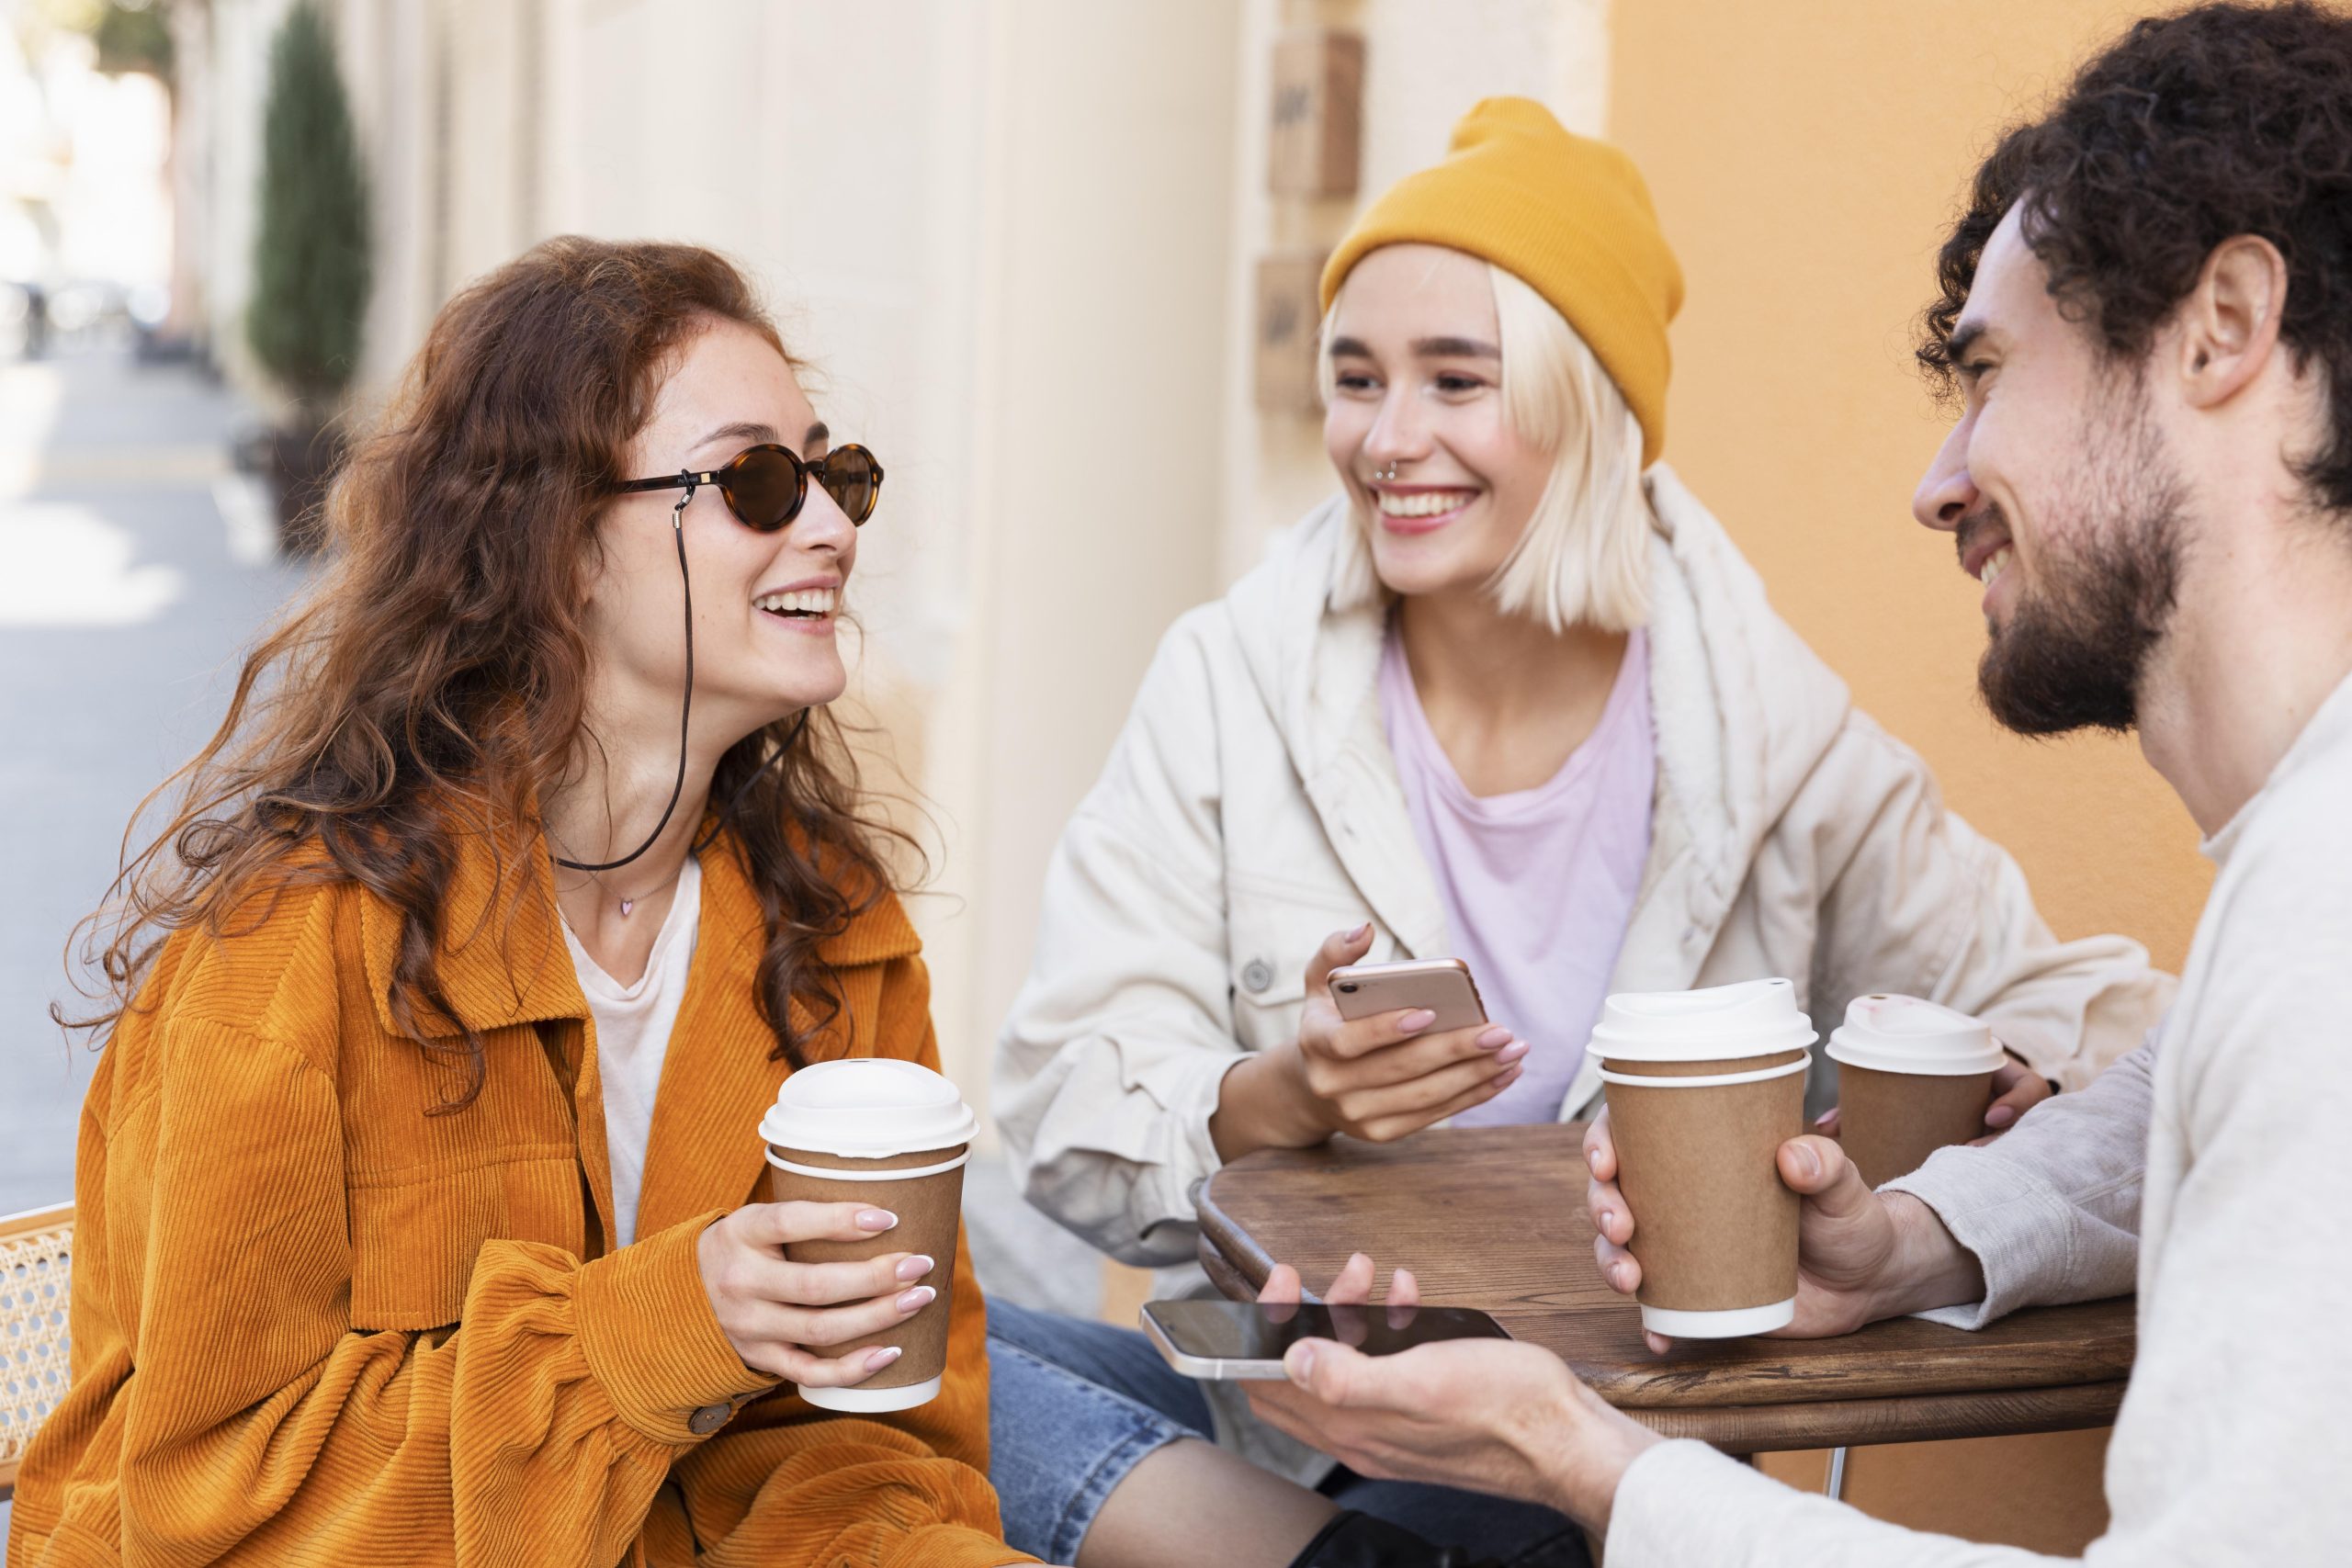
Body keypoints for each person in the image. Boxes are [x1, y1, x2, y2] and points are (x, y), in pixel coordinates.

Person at [986, 98, 2172, 1568]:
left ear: (1584, 401)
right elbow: (1054, 1107)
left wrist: (2011, 1083)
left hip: (1575, 1444)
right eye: (1356, 380)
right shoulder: (1230, 681)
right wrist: (1280, 1093)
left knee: (1512, 1509)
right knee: (898, 1373)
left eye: (1455, 380)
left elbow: (2104, 1022)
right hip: (1286, 1415)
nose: (1387, 439)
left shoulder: (1769, 737)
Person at [1241, 5, 2352, 1562]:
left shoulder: (2322, 914)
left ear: (2226, 324)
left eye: (1990, 375)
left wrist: (1581, 1456)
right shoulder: (2297, 875)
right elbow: (2185, 1093)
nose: (1938, 480)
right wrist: (1906, 1242)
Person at [8, 239, 1046, 1567]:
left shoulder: (834, 936)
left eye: (835, 475)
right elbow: (205, 1510)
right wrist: (660, 1327)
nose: (835, 528)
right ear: (556, 546)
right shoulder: (284, 962)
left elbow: (873, 1457)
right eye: (759, 482)